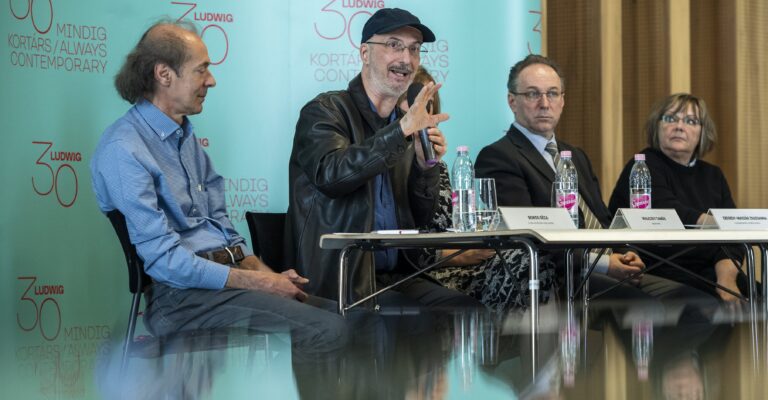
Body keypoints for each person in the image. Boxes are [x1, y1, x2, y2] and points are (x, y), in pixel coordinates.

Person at [90, 21, 348, 358]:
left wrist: (270, 278)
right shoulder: (123, 148)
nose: (211, 80)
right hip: (181, 299)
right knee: (329, 328)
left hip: (225, 284)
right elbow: (166, 262)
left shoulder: (185, 137)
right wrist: (262, 283)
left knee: (352, 319)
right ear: (164, 74)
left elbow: (225, 232)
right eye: (201, 70)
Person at [474, 54, 711, 305]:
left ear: (563, 100)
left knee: (697, 303)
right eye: (533, 94)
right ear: (512, 101)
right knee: (646, 308)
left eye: (552, 93)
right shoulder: (498, 157)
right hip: (560, 276)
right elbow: (527, 236)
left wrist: (626, 253)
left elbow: (603, 219)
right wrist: (606, 264)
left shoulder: (575, 156)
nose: (544, 103)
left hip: (609, 266)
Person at [286, 8, 480, 309]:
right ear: (365, 53)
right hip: (343, 278)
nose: (406, 59)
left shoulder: (401, 126)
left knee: (465, 311)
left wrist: (424, 167)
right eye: (394, 45)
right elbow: (331, 176)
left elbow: (421, 220)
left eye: (414, 49)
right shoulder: (325, 111)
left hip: (401, 274)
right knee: (417, 322)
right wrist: (400, 132)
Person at [401, 66, 558, 314]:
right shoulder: (386, 162)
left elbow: (446, 226)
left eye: (428, 105)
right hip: (428, 270)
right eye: (415, 104)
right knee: (523, 265)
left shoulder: (436, 164)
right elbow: (402, 241)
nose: (423, 114)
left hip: (462, 261)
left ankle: (532, 340)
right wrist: (458, 254)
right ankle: (505, 338)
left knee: (533, 261)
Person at [608, 93, 747, 302]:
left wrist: (726, 281)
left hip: (711, 271)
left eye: (690, 121)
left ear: (703, 132)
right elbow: (667, 212)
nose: (679, 126)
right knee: (705, 307)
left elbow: (733, 240)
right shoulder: (643, 165)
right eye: (671, 118)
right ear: (657, 126)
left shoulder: (713, 175)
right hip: (658, 269)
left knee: (758, 297)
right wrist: (718, 223)